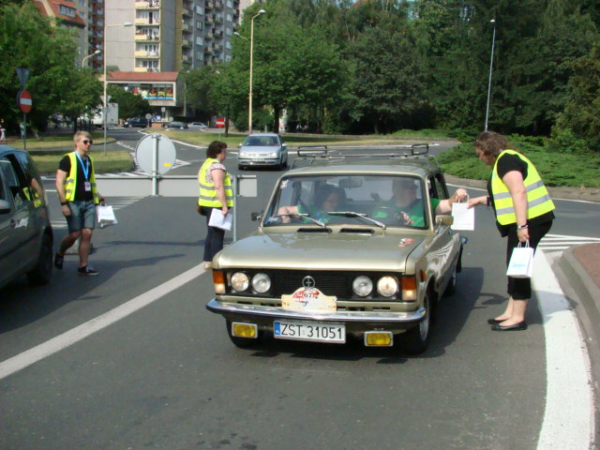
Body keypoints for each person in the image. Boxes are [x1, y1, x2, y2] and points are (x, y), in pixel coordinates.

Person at [466, 131, 555, 331]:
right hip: (527, 221)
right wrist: (480, 200)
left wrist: (522, 226)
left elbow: (519, 191)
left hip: (531, 221)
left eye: (480, 153)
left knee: (518, 267)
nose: (479, 158)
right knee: (513, 265)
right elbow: (505, 195)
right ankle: (510, 311)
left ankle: (518, 317)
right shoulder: (505, 161)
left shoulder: (507, 161)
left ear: (487, 150)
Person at [54, 131, 106, 275]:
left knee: (87, 233)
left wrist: (98, 195)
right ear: (76, 142)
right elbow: (59, 182)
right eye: (85, 142)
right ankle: (60, 252)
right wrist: (63, 203)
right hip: (73, 201)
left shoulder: (89, 160)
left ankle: (83, 266)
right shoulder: (68, 159)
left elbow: (89, 181)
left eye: (90, 142)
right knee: (74, 234)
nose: (88, 144)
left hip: (89, 201)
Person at [373, 178, 467, 227]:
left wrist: (458, 193)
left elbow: (449, 204)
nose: (412, 189)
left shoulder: (426, 204)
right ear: (395, 190)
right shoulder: (383, 207)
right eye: (406, 187)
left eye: (414, 186)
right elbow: (377, 228)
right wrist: (400, 223)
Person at [198, 140, 233, 270]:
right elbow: (219, 186)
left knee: (211, 233)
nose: (226, 154)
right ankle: (216, 261)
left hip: (206, 203)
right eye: (225, 151)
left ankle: (208, 260)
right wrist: (224, 205)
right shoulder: (217, 167)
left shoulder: (206, 164)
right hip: (216, 204)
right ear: (219, 152)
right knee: (218, 234)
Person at [278, 184, 345, 224]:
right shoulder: (309, 209)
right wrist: (285, 219)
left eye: (337, 201)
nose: (335, 204)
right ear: (321, 200)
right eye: (331, 201)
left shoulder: (342, 214)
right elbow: (283, 209)